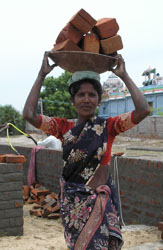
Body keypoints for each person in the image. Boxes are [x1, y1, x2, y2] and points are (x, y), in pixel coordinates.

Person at [23, 51, 150, 250]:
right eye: (80, 94)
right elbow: (29, 114)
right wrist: (42, 75)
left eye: (92, 95)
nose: (86, 99)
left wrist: (124, 76)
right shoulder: (62, 128)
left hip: (101, 206)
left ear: (99, 100)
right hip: (73, 207)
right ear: (72, 101)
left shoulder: (109, 127)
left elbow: (143, 110)